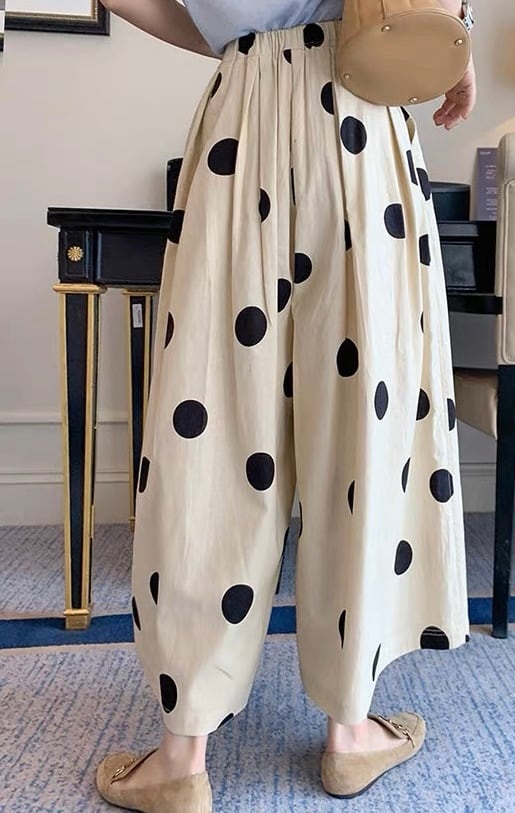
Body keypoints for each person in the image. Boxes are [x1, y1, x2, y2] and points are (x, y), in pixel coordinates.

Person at [95, 1, 477, 810]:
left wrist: (231, 32)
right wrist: (448, 37)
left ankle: (182, 752)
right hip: (363, 112)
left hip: (242, 119)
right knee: (365, 422)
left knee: (210, 422)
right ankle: (350, 730)